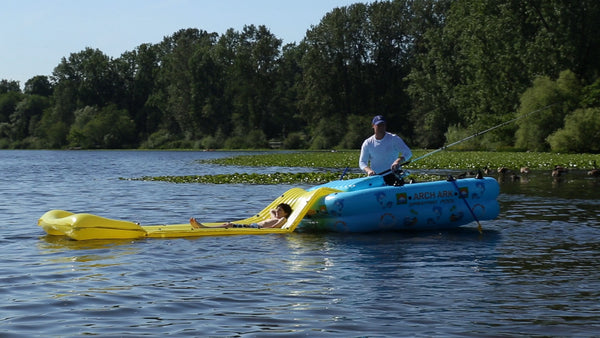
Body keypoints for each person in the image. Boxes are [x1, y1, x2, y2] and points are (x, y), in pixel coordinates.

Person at [359, 115, 412, 186]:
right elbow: (362, 162)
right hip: (376, 178)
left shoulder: (394, 139)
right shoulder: (368, 143)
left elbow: (408, 153)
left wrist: (397, 161)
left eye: (383, 125)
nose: (381, 127)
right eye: (379, 125)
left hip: (394, 176)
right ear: (373, 126)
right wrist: (369, 171)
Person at [189, 203, 293, 229]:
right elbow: (272, 209)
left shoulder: (282, 218)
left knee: (229, 225)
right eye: (278, 210)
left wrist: (269, 229)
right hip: (253, 225)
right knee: (228, 224)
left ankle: (204, 227)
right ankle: (204, 227)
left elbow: (276, 226)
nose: (278, 212)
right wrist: (277, 212)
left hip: (256, 228)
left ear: (286, 213)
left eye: (280, 210)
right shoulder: (275, 217)